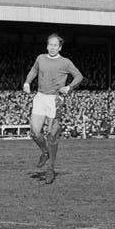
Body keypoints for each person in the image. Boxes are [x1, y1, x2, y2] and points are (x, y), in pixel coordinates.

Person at [23, 33, 83, 184]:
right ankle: (44, 152)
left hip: (55, 99)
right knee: (34, 132)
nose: (52, 47)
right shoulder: (40, 58)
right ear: (47, 45)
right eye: (50, 44)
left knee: (52, 134)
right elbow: (34, 71)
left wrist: (69, 87)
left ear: (60, 47)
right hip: (40, 97)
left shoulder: (65, 62)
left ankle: (50, 168)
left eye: (55, 45)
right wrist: (27, 82)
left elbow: (79, 76)